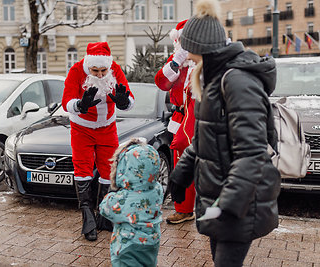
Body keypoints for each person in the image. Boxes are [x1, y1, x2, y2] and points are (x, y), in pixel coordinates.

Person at [169, 0, 281, 266]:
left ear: (202, 48)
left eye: (191, 52)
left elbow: (252, 152)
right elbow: (205, 135)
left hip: (239, 203)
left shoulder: (237, 81)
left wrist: (227, 204)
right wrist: (182, 172)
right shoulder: (212, 78)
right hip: (220, 196)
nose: (188, 58)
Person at [62, 42, 135, 241]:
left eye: (104, 70)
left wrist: (124, 101)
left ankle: (104, 215)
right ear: (88, 67)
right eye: (95, 71)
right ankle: (87, 216)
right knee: (83, 168)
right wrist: (80, 104)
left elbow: (130, 97)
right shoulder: (77, 70)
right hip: (81, 128)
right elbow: (66, 100)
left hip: (107, 127)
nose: (101, 75)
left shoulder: (115, 70)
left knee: (109, 169)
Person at [155, 20, 197, 224]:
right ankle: (184, 209)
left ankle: (212, 209)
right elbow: (161, 82)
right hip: (181, 115)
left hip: (202, 114)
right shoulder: (177, 60)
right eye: (178, 41)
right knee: (180, 158)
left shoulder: (204, 59)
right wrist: (176, 62)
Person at [99, 138, 163, 267]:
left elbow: (104, 208)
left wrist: (112, 192)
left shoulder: (124, 198)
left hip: (128, 248)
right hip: (151, 243)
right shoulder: (157, 189)